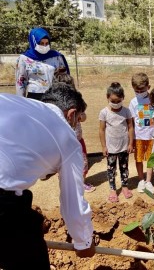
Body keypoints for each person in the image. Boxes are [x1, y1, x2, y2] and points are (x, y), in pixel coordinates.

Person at [0, 84, 95, 269]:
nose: (76, 126)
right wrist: (84, 243)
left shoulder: (8, 99)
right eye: (78, 120)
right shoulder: (67, 138)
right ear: (71, 113)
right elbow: (73, 202)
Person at [53, 74, 95, 192]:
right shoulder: (55, 104)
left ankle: (81, 183)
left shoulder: (77, 101)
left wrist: (81, 116)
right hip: (64, 141)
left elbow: (84, 116)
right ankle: (67, 184)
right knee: (66, 164)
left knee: (82, 162)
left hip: (77, 139)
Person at [99, 82, 134, 202]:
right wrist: (104, 146)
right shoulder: (104, 112)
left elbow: (130, 127)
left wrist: (130, 143)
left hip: (124, 147)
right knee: (111, 169)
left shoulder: (126, 111)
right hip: (111, 148)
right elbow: (101, 130)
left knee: (124, 168)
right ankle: (113, 189)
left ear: (123, 98)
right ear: (107, 98)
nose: (115, 103)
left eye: (118, 100)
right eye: (112, 101)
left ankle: (125, 186)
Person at [15, 27, 70, 100]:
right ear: (34, 42)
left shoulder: (56, 57)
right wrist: (21, 101)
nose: (44, 46)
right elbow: (21, 83)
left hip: (55, 96)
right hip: (35, 97)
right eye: (41, 43)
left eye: (47, 43)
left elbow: (65, 78)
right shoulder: (24, 58)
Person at [129, 73, 154, 194]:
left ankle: (149, 181)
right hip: (138, 136)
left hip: (152, 136)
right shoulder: (133, 102)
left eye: (142, 90)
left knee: (151, 159)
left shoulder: (153, 100)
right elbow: (132, 122)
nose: (139, 92)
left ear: (148, 87)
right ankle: (141, 180)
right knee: (139, 159)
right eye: (136, 90)